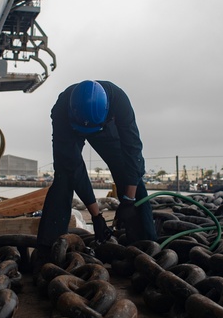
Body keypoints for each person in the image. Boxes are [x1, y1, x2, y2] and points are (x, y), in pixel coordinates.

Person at [37, 80, 157, 246]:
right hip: (71, 126)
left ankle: (145, 245)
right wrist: (96, 215)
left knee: (127, 171)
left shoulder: (119, 101)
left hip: (104, 126)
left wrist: (129, 201)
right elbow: (73, 166)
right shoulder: (62, 111)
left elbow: (132, 150)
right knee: (64, 177)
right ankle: (49, 247)